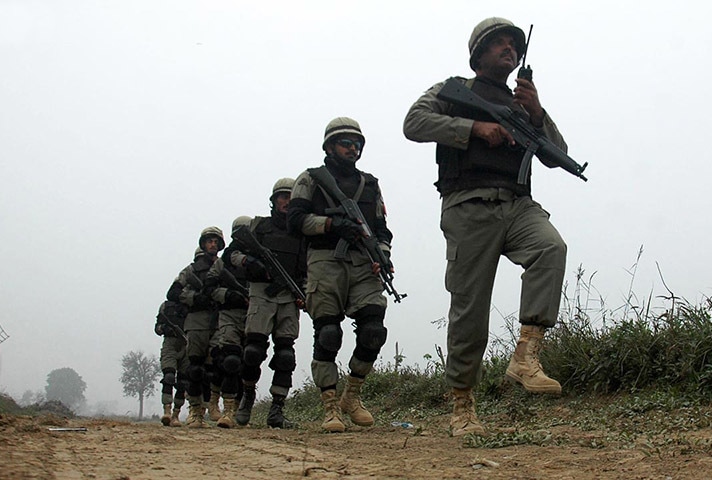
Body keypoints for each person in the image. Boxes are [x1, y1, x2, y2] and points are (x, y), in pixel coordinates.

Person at [403, 17, 568, 436]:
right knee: (469, 311)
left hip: (518, 205)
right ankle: (462, 407)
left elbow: (558, 154)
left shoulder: (521, 105)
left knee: (550, 249)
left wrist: (537, 112)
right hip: (469, 205)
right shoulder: (454, 89)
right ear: (478, 53)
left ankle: (525, 355)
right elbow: (414, 122)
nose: (509, 48)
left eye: (514, 44)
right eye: (499, 43)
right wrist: (474, 128)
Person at [287, 117, 393, 433]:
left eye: (357, 144)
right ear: (330, 146)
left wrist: (382, 257)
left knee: (374, 329)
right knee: (329, 333)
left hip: (362, 262)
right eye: (346, 143)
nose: (353, 148)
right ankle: (330, 406)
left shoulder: (370, 184)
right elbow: (295, 221)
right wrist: (331, 225)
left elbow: (381, 229)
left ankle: (353, 395)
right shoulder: (310, 179)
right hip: (324, 260)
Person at [230, 178, 307, 429]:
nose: (286, 202)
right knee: (253, 351)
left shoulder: (301, 232)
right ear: (274, 201)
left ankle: (277, 409)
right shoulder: (258, 227)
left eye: (290, 197)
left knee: (285, 355)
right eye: (282, 197)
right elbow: (231, 254)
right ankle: (247, 396)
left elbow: (308, 267)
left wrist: (305, 293)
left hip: (288, 296)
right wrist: (249, 263)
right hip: (262, 293)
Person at [167, 226, 225, 428]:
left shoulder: (223, 267)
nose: (213, 244)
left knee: (218, 363)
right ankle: (194, 411)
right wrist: (195, 298)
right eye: (210, 241)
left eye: (216, 242)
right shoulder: (190, 271)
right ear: (203, 244)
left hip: (219, 320)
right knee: (195, 368)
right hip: (197, 321)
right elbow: (173, 294)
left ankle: (211, 406)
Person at [205, 216, 251, 428]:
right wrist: (228, 295)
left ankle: (242, 408)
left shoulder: (259, 258)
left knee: (248, 363)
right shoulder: (223, 262)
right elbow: (209, 289)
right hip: (229, 315)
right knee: (230, 361)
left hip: (254, 315)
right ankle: (228, 409)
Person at [154, 298, 189, 427]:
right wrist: (164, 328)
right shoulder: (165, 306)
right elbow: (157, 328)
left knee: (182, 382)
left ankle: (176, 414)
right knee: (168, 376)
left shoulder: (192, 304)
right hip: (170, 343)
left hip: (187, 344)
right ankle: (167, 411)